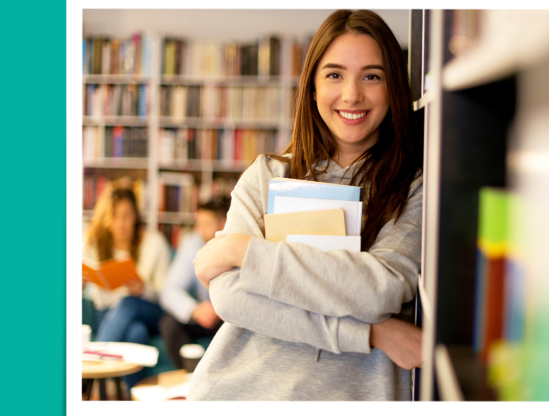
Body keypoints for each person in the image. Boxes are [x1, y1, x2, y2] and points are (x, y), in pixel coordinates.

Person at [188, 9, 424, 401]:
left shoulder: (414, 188)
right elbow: (231, 297)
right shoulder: (265, 175)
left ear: (393, 88)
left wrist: (243, 251)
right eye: (334, 75)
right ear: (312, 87)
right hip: (239, 392)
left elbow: (379, 290)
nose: (352, 94)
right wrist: (369, 332)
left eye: (372, 76)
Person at [82, 180, 171, 392]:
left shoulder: (154, 242)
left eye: (127, 215)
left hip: (148, 310)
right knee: (136, 334)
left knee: (129, 302)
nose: (120, 223)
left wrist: (144, 289)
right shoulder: (93, 243)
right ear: (106, 218)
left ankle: (89, 373)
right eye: (114, 216)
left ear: (136, 216)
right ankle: (134, 399)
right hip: (107, 315)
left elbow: (166, 296)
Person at [158, 197, 230, 370]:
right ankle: (190, 378)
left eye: (205, 223)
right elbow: (169, 290)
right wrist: (194, 309)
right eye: (198, 223)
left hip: (231, 317)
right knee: (169, 323)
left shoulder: (240, 246)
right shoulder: (193, 243)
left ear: (224, 223)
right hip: (206, 316)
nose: (199, 229)